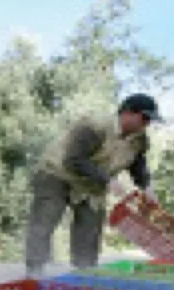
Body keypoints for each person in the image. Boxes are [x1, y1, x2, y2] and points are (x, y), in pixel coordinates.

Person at [25, 93, 162, 278]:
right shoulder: (95, 126)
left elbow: (138, 164)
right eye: (144, 118)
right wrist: (107, 180)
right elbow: (74, 159)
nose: (147, 124)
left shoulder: (140, 139)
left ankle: (85, 272)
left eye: (150, 120)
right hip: (57, 173)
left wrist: (147, 187)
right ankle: (34, 271)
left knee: (90, 226)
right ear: (128, 113)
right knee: (45, 219)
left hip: (91, 182)